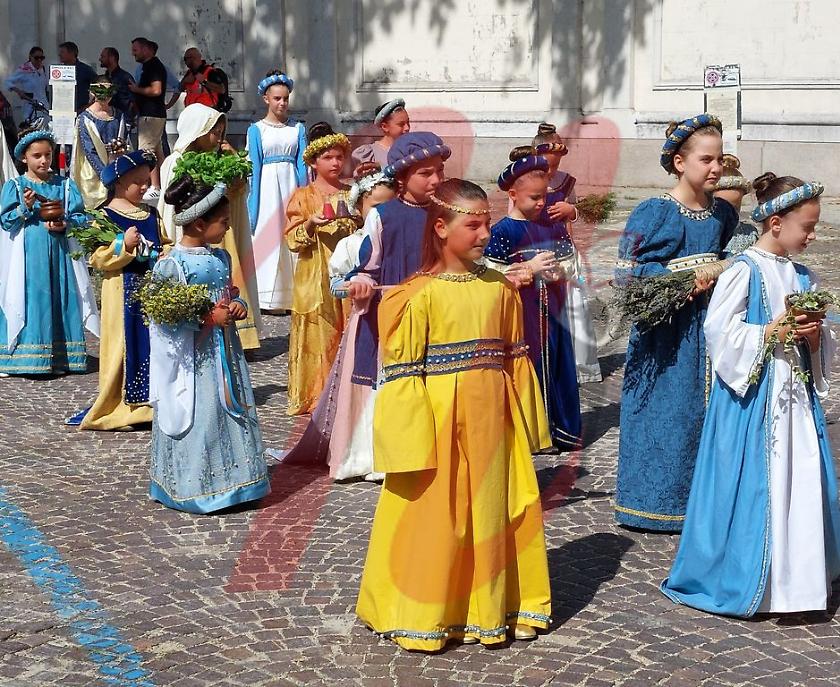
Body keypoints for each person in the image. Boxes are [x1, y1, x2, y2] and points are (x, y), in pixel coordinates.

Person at [356, 179, 552, 651]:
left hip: (493, 423)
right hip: (439, 424)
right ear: (441, 227)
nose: (485, 234)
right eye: (473, 225)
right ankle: (429, 609)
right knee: (437, 515)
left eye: (487, 223)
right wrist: (409, 444)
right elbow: (402, 377)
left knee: (493, 510)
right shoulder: (414, 296)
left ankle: (496, 605)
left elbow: (516, 359)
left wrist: (526, 427)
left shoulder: (500, 290)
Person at [662, 174, 840, 617]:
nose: (813, 236)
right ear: (776, 223)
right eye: (808, 227)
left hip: (795, 394)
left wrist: (816, 336)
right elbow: (719, 332)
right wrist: (771, 331)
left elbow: (824, 341)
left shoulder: (803, 275)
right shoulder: (743, 270)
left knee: (799, 477)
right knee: (761, 483)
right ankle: (754, 579)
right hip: (753, 400)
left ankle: (799, 580)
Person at [613, 114, 739, 531]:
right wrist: (680, 282)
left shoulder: (723, 213)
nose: (716, 168)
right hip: (667, 334)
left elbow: (737, 258)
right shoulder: (653, 212)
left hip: (711, 327)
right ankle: (653, 504)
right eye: (706, 159)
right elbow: (625, 277)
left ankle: (705, 505)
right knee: (668, 413)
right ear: (680, 163)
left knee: (708, 415)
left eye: (719, 159)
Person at [148, 174, 269, 514]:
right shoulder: (172, 264)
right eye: (223, 223)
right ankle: (197, 485)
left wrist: (237, 304)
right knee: (202, 412)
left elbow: (228, 291)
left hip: (225, 352)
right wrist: (204, 319)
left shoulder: (220, 258)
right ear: (199, 223)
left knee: (229, 406)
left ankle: (240, 482)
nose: (228, 229)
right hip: (196, 358)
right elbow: (163, 318)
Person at [280, 162, 396, 480]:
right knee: (365, 385)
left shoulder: (399, 243)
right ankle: (361, 453)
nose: (382, 214)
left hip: (397, 325)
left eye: (389, 206)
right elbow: (336, 283)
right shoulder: (350, 245)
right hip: (365, 326)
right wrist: (351, 285)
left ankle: (391, 450)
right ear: (359, 209)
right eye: (375, 206)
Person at [485, 153, 582, 450]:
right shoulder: (502, 231)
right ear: (513, 195)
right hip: (522, 312)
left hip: (553, 308)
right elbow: (491, 274)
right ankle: (531, 431)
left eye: (545, 196)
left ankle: (562, 428)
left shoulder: (552, 226)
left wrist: (558, 270)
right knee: (529, 364)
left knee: (557, 363)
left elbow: (571, 261)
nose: (541, 203)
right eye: (534, 198)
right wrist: (529, 269)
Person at [344, 132, 449, 397]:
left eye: (439, 171)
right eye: (425, 173)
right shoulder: (383, 216)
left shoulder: (449, 213)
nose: (436, 180)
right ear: (402, 177)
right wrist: (361, 285)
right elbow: (368, 268)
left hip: (443, 313)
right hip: (398, 317)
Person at [157, 103, 262, 350]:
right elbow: (171, 203)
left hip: (223, 234)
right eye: (214, 132)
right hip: (194, 234)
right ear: (198, 130)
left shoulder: (224, 159)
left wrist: (234, 164)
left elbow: (238, 193)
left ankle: (240, 333)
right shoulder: (176, 161)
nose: (218, 138)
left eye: (221, 132)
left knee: (229, 278)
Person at [76, 150, 169, 430]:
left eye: (146, 181)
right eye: (138, 182)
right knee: (122, 346)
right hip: (121, 292)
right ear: (118, 182)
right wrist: (124, 245)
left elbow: (164, 242)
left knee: (154, 343)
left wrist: (166, 254)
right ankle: (120, 405)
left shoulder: (151, 214)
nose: (145, 187)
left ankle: (151, 402)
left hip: (150, 292)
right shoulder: (104, 217)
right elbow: (97, 257)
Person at [0, 127, 99, 375]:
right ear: (24, 157)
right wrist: (26, 206)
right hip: (29, 256)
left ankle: (62, 356)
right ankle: (24, 357)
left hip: (59, 254)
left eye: (48, 155)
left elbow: (80, 217)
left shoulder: (65, 185)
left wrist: (65, 223)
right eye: (37, 156)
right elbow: (6, 221)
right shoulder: (15, 186)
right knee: (32, 299)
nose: (44, 160)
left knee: (60, 295)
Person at [284, 122, 356, 416]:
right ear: (314, 162)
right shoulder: (303, 195)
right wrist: (311, 223)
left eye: (339, 156)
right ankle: (318, 391)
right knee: (320, 330)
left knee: (348, 325)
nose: (336, 162)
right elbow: (291, 239)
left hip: (349, 270)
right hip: (316, 272)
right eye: (328, 157)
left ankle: (348, 389)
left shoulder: (352, 192)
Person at [530, 122, 602, 383]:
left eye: (556, 165)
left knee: (575, 307)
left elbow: (577, 215)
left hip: (564, 250)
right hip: (536, 249)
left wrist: (571, 211)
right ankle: (547, 359)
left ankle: (581, 365)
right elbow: (514, 217)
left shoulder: (566, 182)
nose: (552, 170)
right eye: (547, 165)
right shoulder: (526, 180)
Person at [246, 70, 307, 313]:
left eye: (285, 99)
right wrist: (254, 202)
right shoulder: (257, 130)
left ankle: (293, 295)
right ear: (266, 99)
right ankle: (267, 297)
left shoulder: (297, 129)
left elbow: (303, 165)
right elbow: (255, 167)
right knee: (269, 234)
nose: (282, 103)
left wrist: (304, 197)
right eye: (277, 99)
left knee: (290, 234)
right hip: (268, 189)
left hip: (290, 184)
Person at [71, 76, 129, 209]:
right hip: (95, 172)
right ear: (93, 92)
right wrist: (106, 175)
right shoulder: (85, 118)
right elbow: (89, 150)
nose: (106, 96)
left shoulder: (118, 115)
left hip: (116, 166)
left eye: (110, 92)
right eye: (101, 91)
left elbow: (123, 140)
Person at [129, 37, 167, 202]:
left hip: (151, 115)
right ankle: (166, 182)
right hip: (152, 114)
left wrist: (137, 89)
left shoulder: (154, 66)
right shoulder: (148, 67)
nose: (133, 54)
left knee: (147, 152)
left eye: (136, 50)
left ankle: (155, 186)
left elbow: (156, 90)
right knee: (158, 153)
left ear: (146, 49)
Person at [714, 155, 758, 257]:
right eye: (721, 208)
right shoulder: (698, 233)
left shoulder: (749, 234)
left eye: (734, 208)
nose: (728, 214)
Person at [351, 98, 410, 168]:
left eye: (408, 122)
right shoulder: (369, 154)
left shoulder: (412, 150)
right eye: (401, 124)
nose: (407, 128)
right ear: (385, 127)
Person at [4, 47, 50, 124]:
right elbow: (7, 82)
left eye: (41, 58)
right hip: (30, 107)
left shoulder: (43, 69)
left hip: (44, 107)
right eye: (36, 58)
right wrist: (18, 91)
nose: (39, 60)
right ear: (30, 57)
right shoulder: (24, 70)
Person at [57, 42, 97, 114]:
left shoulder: (85, 70)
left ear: (72, 53)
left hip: (80, 112)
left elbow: (99, 86)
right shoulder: (58, 70)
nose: (59, 55)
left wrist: (90, 105)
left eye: (62, 52)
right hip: (61, 112)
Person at [99, 47, 136, 125]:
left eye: (103, 56)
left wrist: (129, 118)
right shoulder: (104, 78)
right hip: (106, 120)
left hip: (122, 121)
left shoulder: (125, 77)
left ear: (112, 58)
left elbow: (134, 101)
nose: (100, 59)